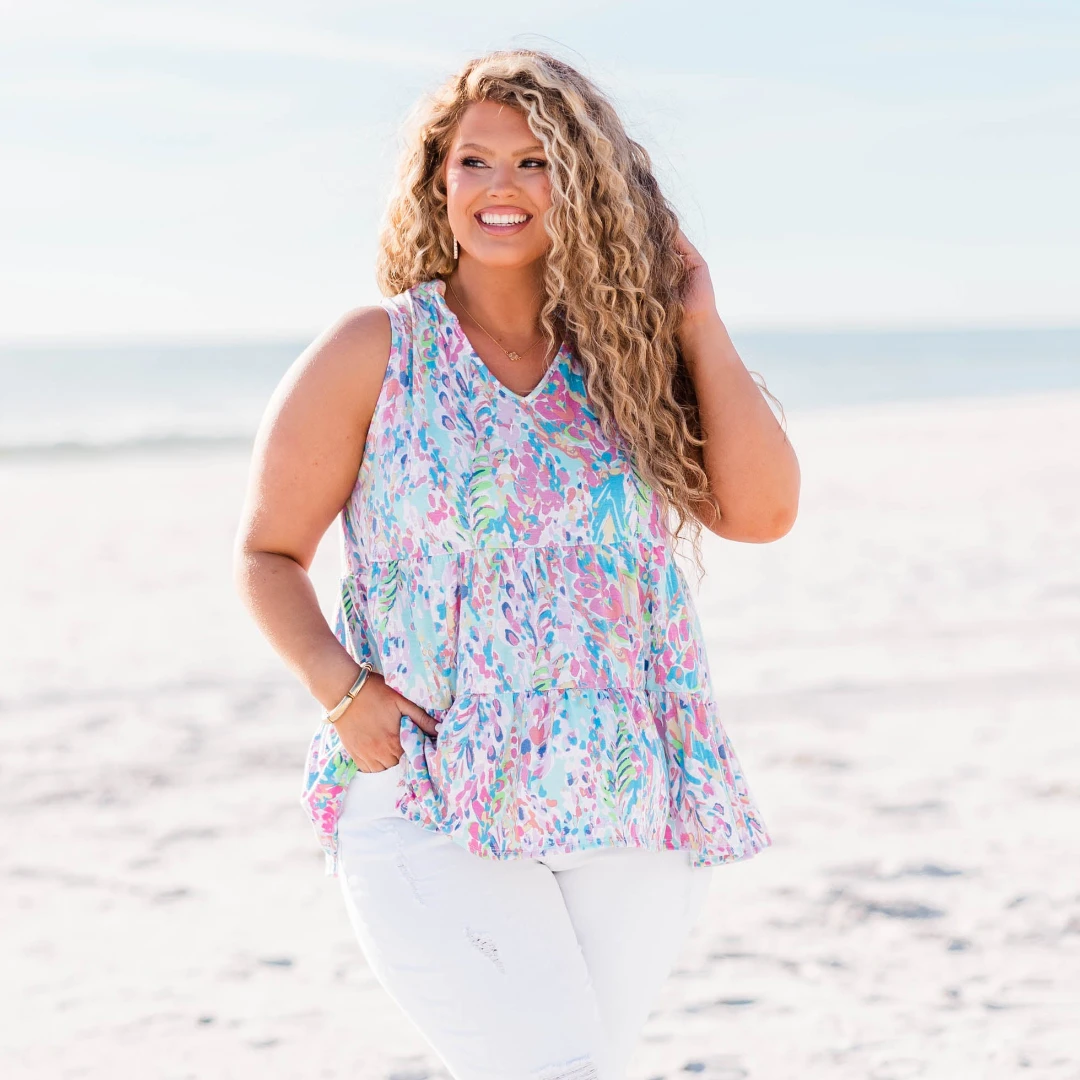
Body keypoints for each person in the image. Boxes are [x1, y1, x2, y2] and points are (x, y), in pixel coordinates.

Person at [234, 48, 800, 1080]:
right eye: (475, 161)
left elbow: (762, 513)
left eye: (536, 162)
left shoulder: (624, 361)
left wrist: (697, 322)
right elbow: (267, 554)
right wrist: (342, 692)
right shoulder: (376, 349)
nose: (502, 187)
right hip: (429, 795)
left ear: (583, 185)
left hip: (628, 798)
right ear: (437, 181)